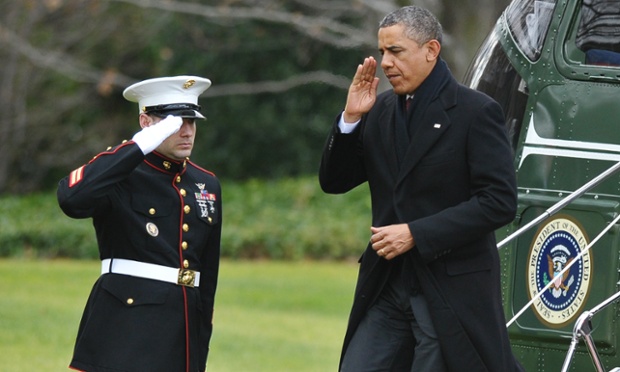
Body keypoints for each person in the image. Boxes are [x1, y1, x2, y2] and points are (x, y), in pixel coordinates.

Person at [319, 6, 522, 372]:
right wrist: (350, 120)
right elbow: (334, 182)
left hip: (449, 292)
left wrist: (416, 233)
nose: (385, 63)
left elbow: (499, 202)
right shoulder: (378, 111)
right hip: (387, 286)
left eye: (395, 52)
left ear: (431, 50)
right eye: (382, 53)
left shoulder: (476, 112)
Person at [57, 75, 222, 372]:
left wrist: (200, 342)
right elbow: (71, 198)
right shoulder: (120, 173)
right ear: (146, 122)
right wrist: (137, 147)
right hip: (126, 326)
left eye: (191, 121)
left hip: (182, 328)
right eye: (174, 122)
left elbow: (206, 275)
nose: (186, 131)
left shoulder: (205, 182)